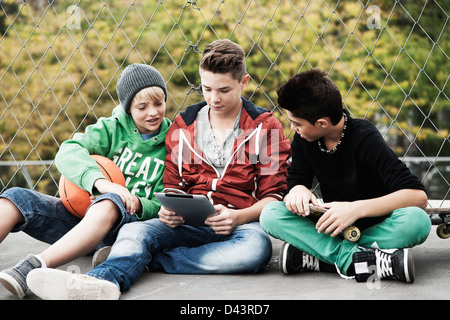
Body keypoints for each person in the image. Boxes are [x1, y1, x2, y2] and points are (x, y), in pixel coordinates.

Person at [25, 39, 291, 300]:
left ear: (243, 82)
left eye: (224, 90)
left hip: (240, 225)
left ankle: (148, 260)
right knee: (134, 231)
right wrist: (170, 210)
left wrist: (238, 217)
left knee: (256, 250)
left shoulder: (266, 129)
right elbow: (173, 186)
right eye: (206, 88)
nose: (213, 98)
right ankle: (98, 283)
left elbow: (273, 198)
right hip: (188, 225)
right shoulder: (183, 127)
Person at [0, 63, 171, 299]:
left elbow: (167, 201)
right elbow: (68, 151)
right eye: (142, 106)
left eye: (159, 103)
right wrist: (101, 182)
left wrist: (139, 203)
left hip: (128, 227)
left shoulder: (174, 143)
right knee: (16, 197)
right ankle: (105, 250)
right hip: (82, 221)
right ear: (128, 108)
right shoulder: (111, 128)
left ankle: (32, 266)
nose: (153, 112)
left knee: (110, 202)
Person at [260, 68, 431, 284]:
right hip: (331, 228)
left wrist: (355, 209)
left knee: (417, 221)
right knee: (270, 213)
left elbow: (418, 197)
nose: (293, 128)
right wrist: (297, 190)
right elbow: (296, 180)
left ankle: (320, 258)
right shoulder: (305, 140)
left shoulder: (364, 136)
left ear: (322, 123)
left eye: (297, 123)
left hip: (376, 225)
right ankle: (370, 261)